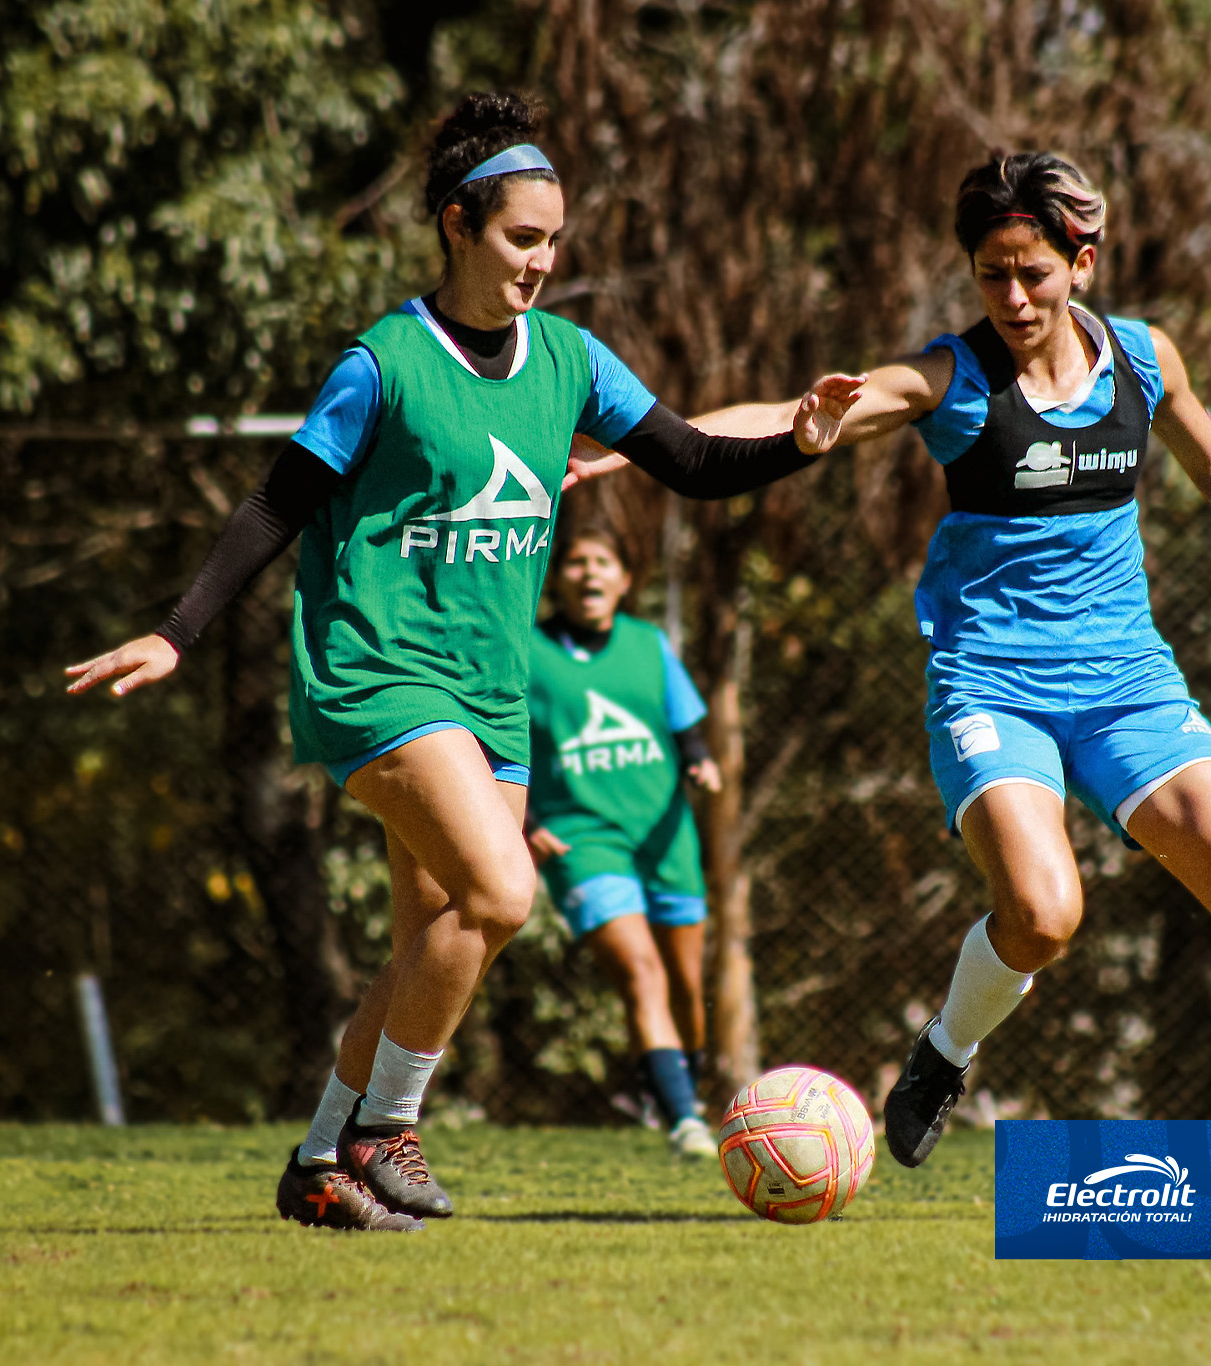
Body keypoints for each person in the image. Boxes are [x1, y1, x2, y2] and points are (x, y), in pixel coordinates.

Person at [64, 90, 857, 1230]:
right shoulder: (385, 362)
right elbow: (275, 503)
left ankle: (318, 1162)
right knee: (503, 889)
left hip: (494, 689)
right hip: (376, 670)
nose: (541, 261)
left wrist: (798, 439)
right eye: (521, 238)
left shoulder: (570, 360)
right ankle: (388, 1129)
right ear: (456, 225)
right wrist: (173, 631)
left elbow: (684, 457)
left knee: (432, 942)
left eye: (553, 242)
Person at [702, 152, 1211, 1165]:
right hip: (993, 682)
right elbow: (791, 411)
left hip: (1127, 681)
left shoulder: (1144, 360)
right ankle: (945, 1048)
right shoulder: (951, 380)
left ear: (1082, 261)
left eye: (1033, 272)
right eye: (990, 275)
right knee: (1046, 916)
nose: (1011, 296)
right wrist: (641, 441)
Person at [525, 527, 721, 1158]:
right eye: (576, 562)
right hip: (582, 837)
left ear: (624, 580)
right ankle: (682, 1119)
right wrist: (522, 821)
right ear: (557, 578)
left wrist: (699, 762)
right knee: (641, 970)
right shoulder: (524, 652)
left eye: (602, 562)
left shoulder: (648, 643)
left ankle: (680, 1087)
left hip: (664, 833)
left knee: (688, 983)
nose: (588, 574)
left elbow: (685, 724)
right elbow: (490, 742)